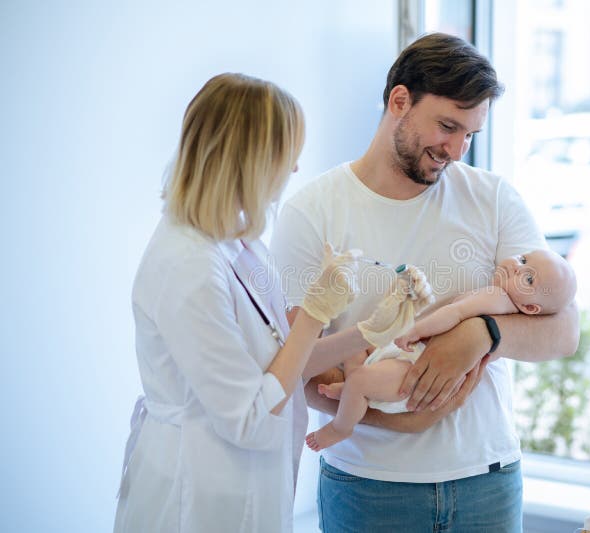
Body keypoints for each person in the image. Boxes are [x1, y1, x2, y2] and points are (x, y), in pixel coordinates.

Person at [272, 33, 580, 532]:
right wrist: (402, 421)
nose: (457, 150)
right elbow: (297, 371)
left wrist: (483, 333)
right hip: (367, 488)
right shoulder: (312, 213)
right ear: (399, 101)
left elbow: (564, 330)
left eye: (471, 134)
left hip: (488, 481)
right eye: (447, 126)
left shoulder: (494, 198)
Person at [113, 73, 431, 533]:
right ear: (251, 160)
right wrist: (314, 316)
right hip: (195, 496)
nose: (295, 169)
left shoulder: (238, 245)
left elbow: (282, 365)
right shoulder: (188, 266)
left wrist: (368, 333)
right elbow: (250, 418)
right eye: (288, 154)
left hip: (244, 487)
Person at [305, 249, 577, 451]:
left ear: (530, 309)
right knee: (356, 352)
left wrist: (415, 330)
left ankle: (341, 427)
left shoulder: (497, 298)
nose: (517, 268)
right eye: (523, 259)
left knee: (361, 377)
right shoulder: (498, 297)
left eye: (528, 279)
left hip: (414, 369)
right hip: (407, 359)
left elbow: (451, 314)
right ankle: (351, 391)